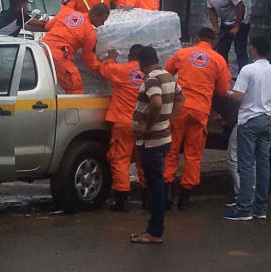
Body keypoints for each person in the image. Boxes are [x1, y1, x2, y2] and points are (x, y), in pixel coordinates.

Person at [163, 27, 231, 210]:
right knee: (193, 154)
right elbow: (223, 90)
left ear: (197, 38)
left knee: (171, 149)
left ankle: (167, 194)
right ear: (213, 41)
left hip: (180, 108)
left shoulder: (183, 53)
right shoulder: (218, 60)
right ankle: (185, 198)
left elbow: (166, 73)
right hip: (200, 111)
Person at [224, 36, 271, 221]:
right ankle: (261, 209)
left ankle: (243, 210)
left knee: (247, 165)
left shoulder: (248, 70)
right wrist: (264, 102)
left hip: (249, 121)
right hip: (266, 121)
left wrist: (229, 92)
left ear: (254, 49)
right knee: (263, 165)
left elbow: (238, 96)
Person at [131, 46, 185, 244]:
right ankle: (153, 229)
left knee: (155, 187)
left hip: (151, 140)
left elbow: (155, 102)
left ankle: (154, 232)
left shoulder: (152, 78)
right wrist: (168, 117)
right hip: (163, 138)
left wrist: (149, 126)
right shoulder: (168, 76)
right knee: (157, 184)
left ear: (140, 63)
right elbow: (181, 97)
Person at [99, 44, 147, 211]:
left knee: (120, 159)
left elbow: (105, 69)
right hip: (144, 125)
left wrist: (111, 57)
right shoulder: (149, 75)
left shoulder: (122, 70)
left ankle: (121, 199)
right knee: (144, 161)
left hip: (123, 123)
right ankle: (147, 199)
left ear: (129, 57)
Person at [41, 3, 109, 94]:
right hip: (58, 56)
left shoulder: (67, 12)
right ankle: (72, 108)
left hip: (42, 49)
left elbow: (48, 26)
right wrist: (104, 69)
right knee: (75, 87)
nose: (103, 24)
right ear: (95, 15)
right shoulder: (90, 33)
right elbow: (88, 59)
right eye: (102, 20)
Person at [198, 0, 250, 72]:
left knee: (240, 49)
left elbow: (241, 6)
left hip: (240, 21)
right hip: (226, 21)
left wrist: (236, 26)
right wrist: (215, 26)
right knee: (221, 50)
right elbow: (211, 9)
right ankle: (224, 73)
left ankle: (243, 75)